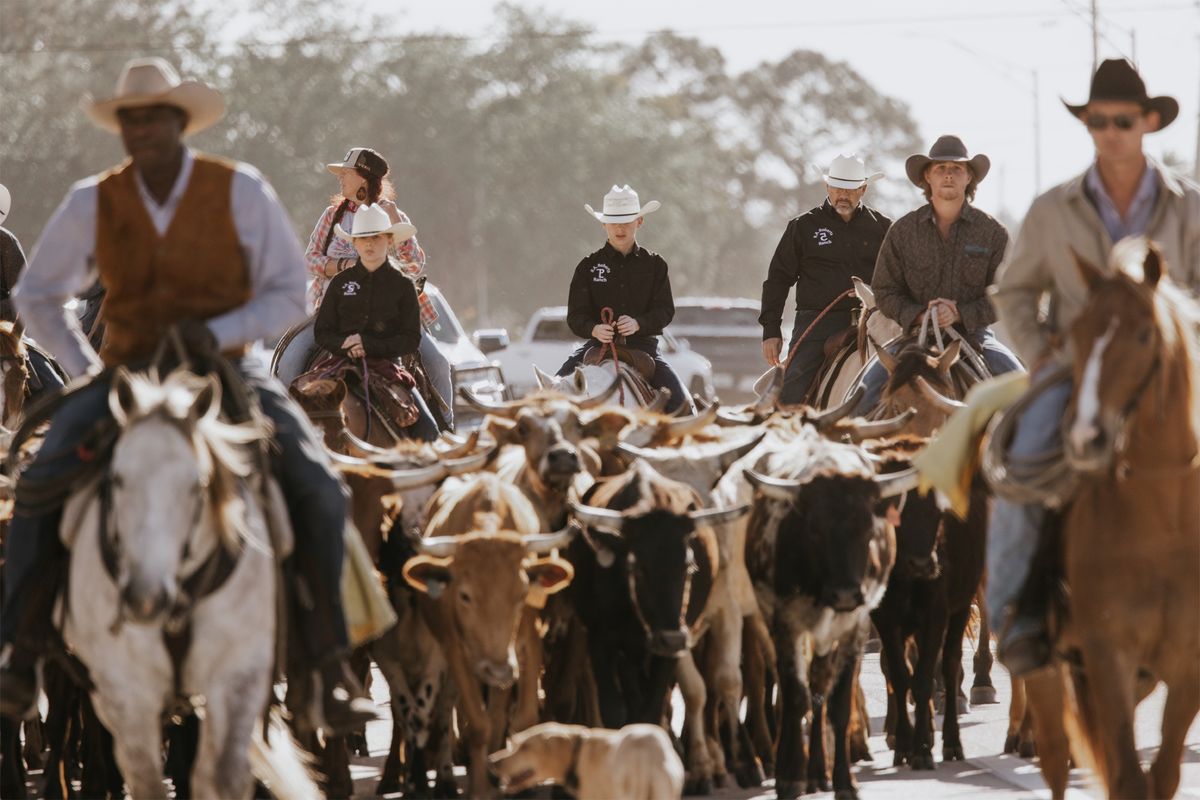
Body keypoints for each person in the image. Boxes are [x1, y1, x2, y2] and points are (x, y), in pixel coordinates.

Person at [0, 57, 377, 732]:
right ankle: (22, 654)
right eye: (130, 119)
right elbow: (36, 295)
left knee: (319, 483)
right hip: (126, 372)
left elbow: (288, 291)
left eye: (154, 118)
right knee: (37, 484)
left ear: (181, 122)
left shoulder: (239, 190)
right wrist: (85, 364)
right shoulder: (94, 198)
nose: (141, 130)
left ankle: (327, 663)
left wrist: (221, 331)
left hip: (225, 368)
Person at [988, 58, 1200, 676]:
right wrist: (1045, 353)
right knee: (1022, 457)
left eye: (1123, 120)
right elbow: (1015, 291)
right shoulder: (1053, 208)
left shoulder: (1189, 207)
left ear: (1148, 123)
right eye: (1098, 120)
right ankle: (1018, 611)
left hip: (1172, 372)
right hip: (1080, 371)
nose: (1110, 131)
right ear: (1087, 125)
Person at [856, 135, 1023, 413]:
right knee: (862, 396)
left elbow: (1006, 293)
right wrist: (919, 314)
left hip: (975, 337)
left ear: (969, 177)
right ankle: (851, 445)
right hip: (912, 338)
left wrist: (959, 313)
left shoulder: (992, 232)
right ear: (927, 178)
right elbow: (885, 291)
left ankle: (1028, 453)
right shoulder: (903, 231)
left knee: (1021, 387)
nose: (948, 175)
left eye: (957, 169)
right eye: (940, 168)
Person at [306, 147, 454, 430]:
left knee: (437, 363)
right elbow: (310, 260)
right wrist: (348, 265)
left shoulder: (393, 216)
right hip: (332, 310)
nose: (341, 179)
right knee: (290, 363)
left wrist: (396, 222)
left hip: (391, 316)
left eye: (346, 173)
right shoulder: (331, 216)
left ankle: (445, 427)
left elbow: (413, 264)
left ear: (364, 178)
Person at [759, 155, 892, 404]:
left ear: (863, 189)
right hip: (818, 319)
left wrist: (875, 294)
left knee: (907, 364)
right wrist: (771, 329)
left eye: (851, 189)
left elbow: (897, 276)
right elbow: (778, 279)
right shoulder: (803, 227)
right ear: (827, 187)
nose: (844, 194)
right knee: (793, 389)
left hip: (875, 317)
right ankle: (785, 431)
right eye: (838, 187)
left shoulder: (883, 228)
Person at [555, 185, 693, 413]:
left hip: (644, 349)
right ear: (603, 224)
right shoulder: (588, 267)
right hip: (597, 346)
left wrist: (639, 324)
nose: (620, 228)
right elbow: (575, 316)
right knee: (550, 393)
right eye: (613, 221)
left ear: (639, 222)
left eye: (627, 221)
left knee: (682, 405)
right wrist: (594, 329)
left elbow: (665, 311)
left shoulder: (655, 265)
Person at [311, 203, 440, 441]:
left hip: (388, 367)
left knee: (428, 431)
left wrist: (367, 344)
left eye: (376, 237)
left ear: (389, 240)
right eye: (362, 238)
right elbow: (323, 331)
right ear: (354, 243)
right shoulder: (340, 283)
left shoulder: (403, 286)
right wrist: (346, 345)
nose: (369, 244)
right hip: (339, 362)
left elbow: (410, 339)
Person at [0, 183, 67, 397]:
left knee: (55, 390)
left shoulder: (6, 242)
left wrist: (14, 338)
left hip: (6, 337)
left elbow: (26, 296)